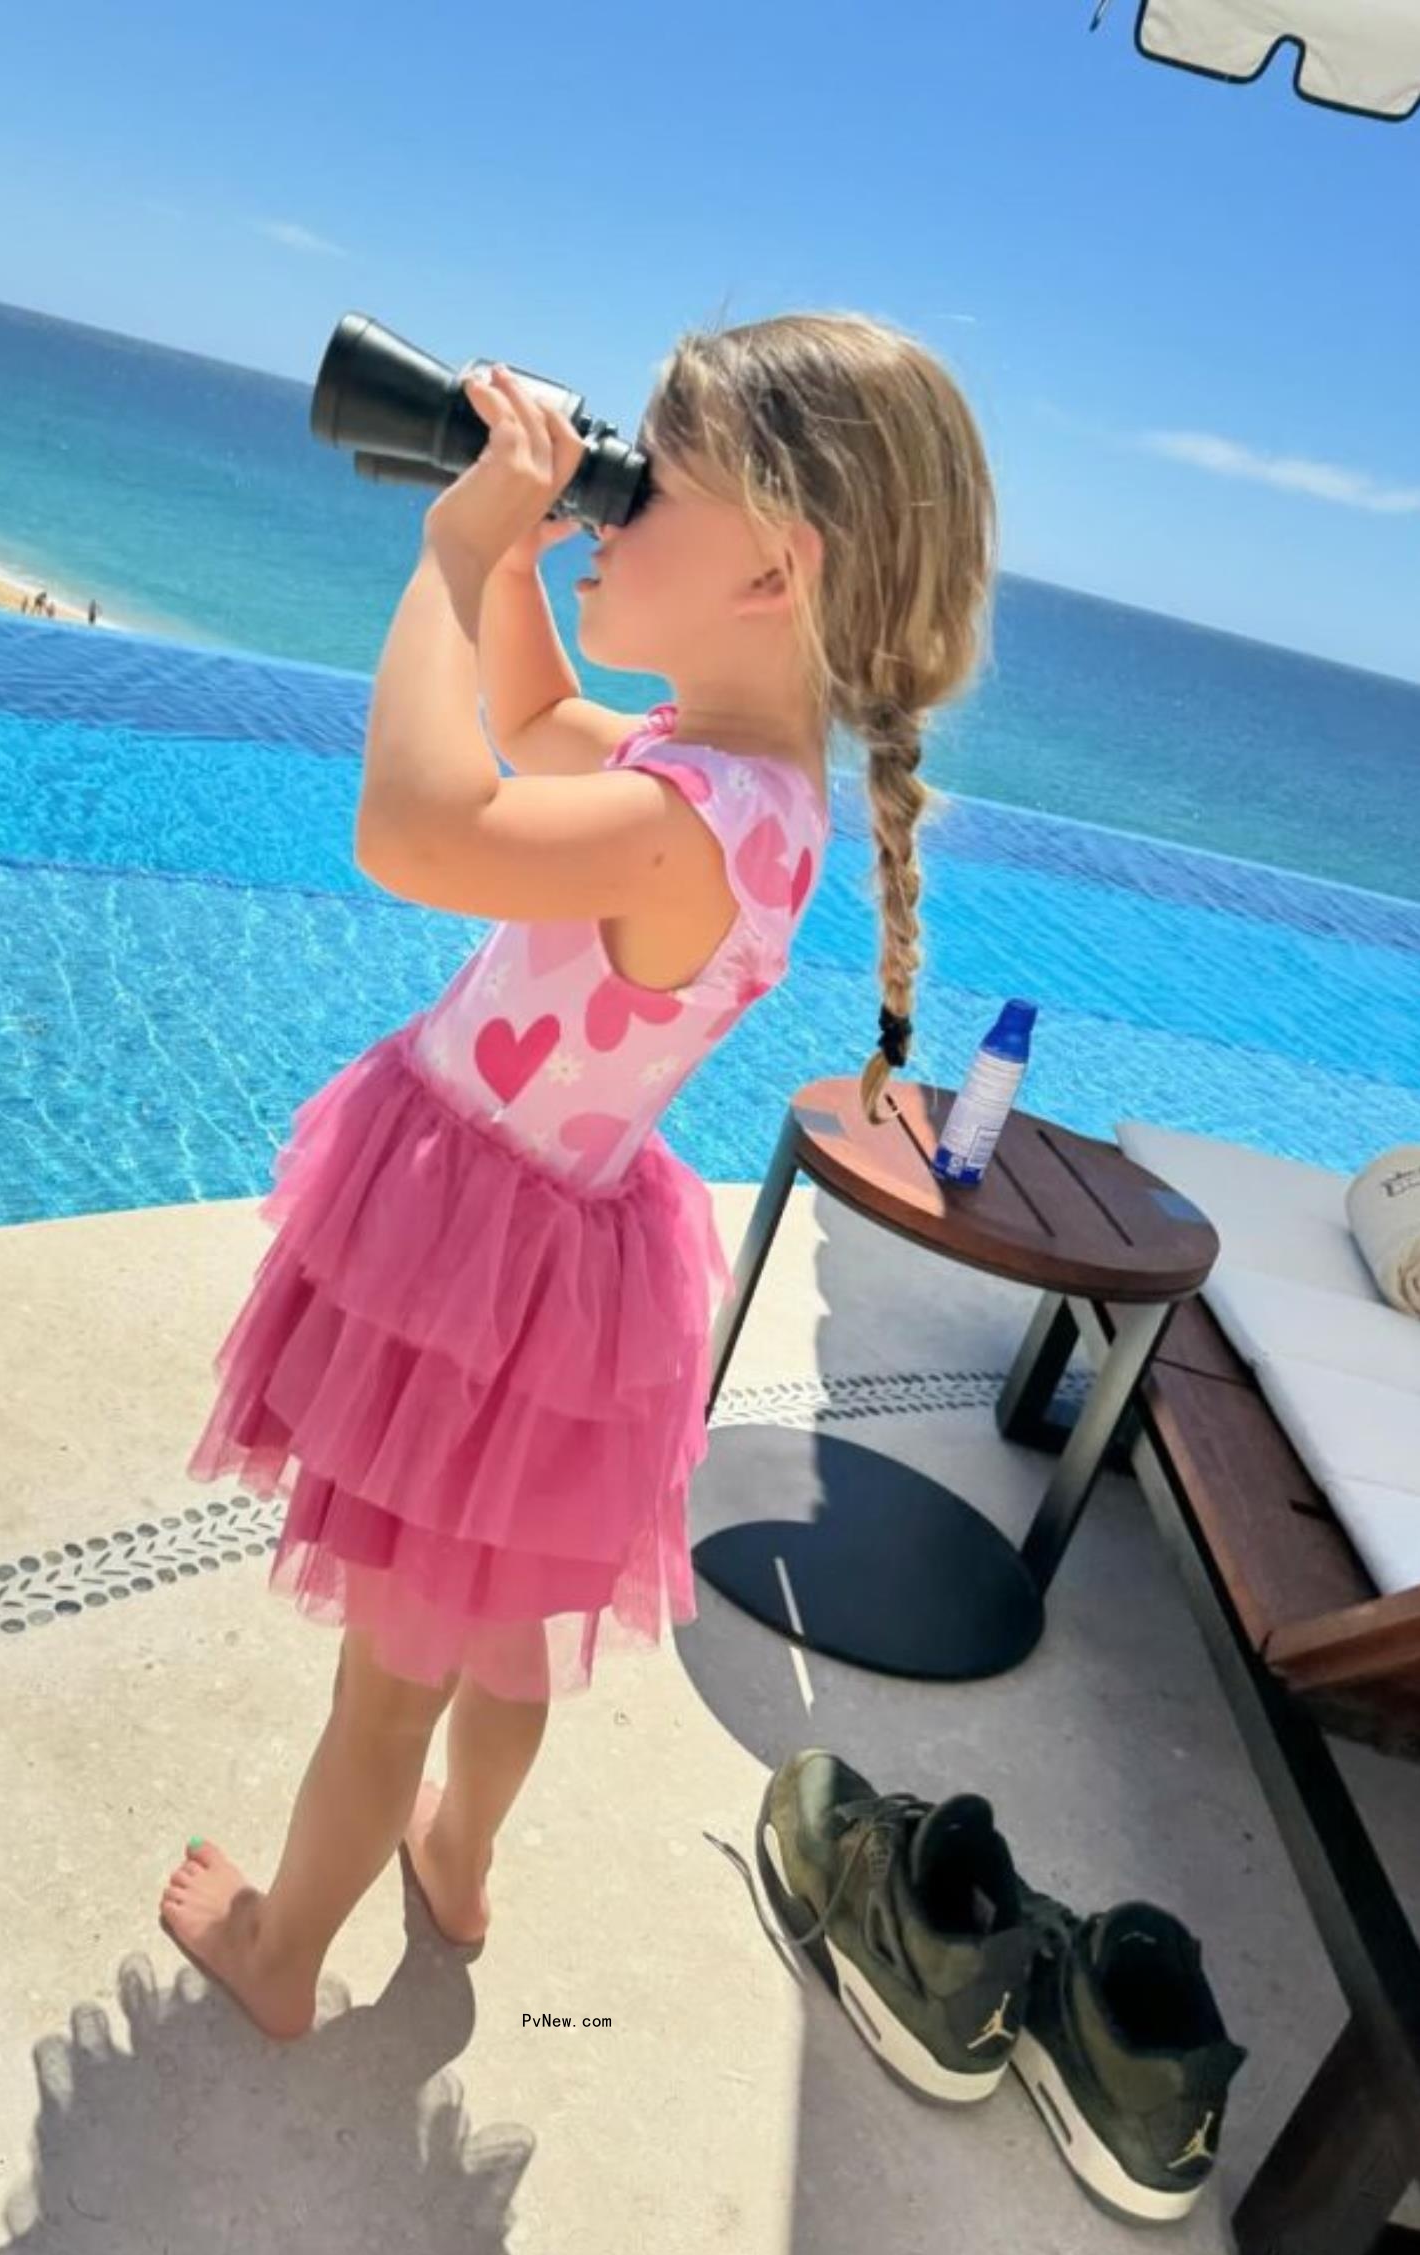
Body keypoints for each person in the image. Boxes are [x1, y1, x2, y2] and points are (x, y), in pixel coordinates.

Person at [160, 315, 996, 2040]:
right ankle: (459, 1858)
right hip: (568, 1266)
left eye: (644, 490)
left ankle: (280, 1953)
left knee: (386, 1672)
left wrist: (454, 549)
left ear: (776, 563)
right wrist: (527, 566)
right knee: (508, 1626)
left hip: (472, 1268)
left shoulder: (678, 818)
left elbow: (416, 823)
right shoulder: (745, 789)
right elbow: (538, 713)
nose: (610, 514)